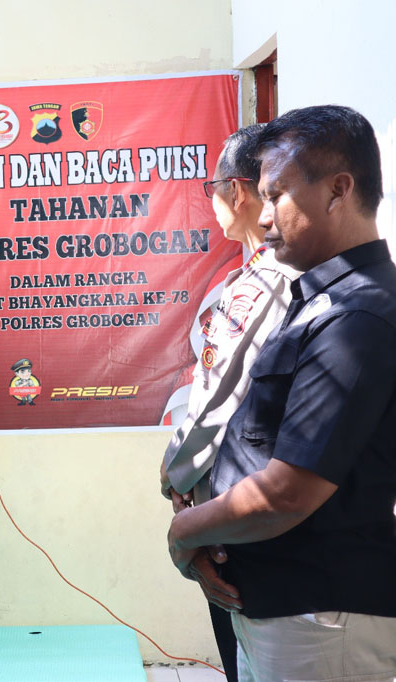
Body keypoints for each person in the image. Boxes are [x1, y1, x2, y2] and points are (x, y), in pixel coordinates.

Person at [167, 105, 396, 681]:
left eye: (277, 196)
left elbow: (288, 493)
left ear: (339, 190)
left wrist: (184, 532)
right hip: (279, 602)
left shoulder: (357, 316)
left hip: (319, 615)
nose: (263, 216)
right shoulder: (321, 300)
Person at [159, 124, 298, 682]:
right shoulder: (273, 274)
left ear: (236, 191)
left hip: (243, 504)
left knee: (249, 654)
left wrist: (175, 481)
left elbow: (217, 400)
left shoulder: (264, 282)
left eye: (212, 187)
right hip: (249, 503)